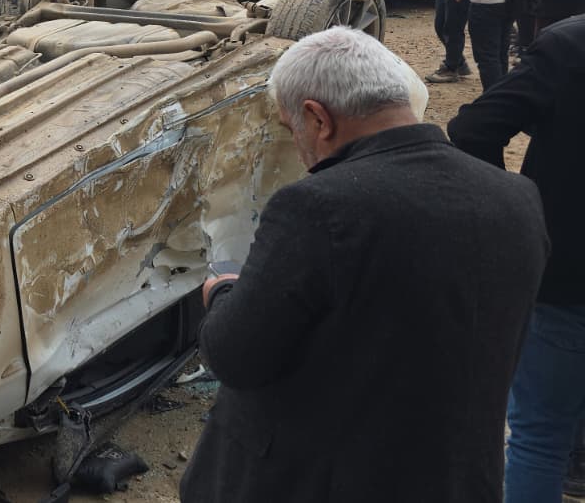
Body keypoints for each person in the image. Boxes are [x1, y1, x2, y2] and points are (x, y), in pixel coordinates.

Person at [182, 27, 546, 503]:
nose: (297, 145)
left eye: (291, 130)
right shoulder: (517, 197)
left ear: (317, 119)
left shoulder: (317, 207)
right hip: (458, 478)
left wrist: (225, 292)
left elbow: (235, 356)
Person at [449, 17, 585, 502]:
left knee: (538, 436)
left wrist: (510, 203)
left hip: (566, 266)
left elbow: (471, 129)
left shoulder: (570, 45)